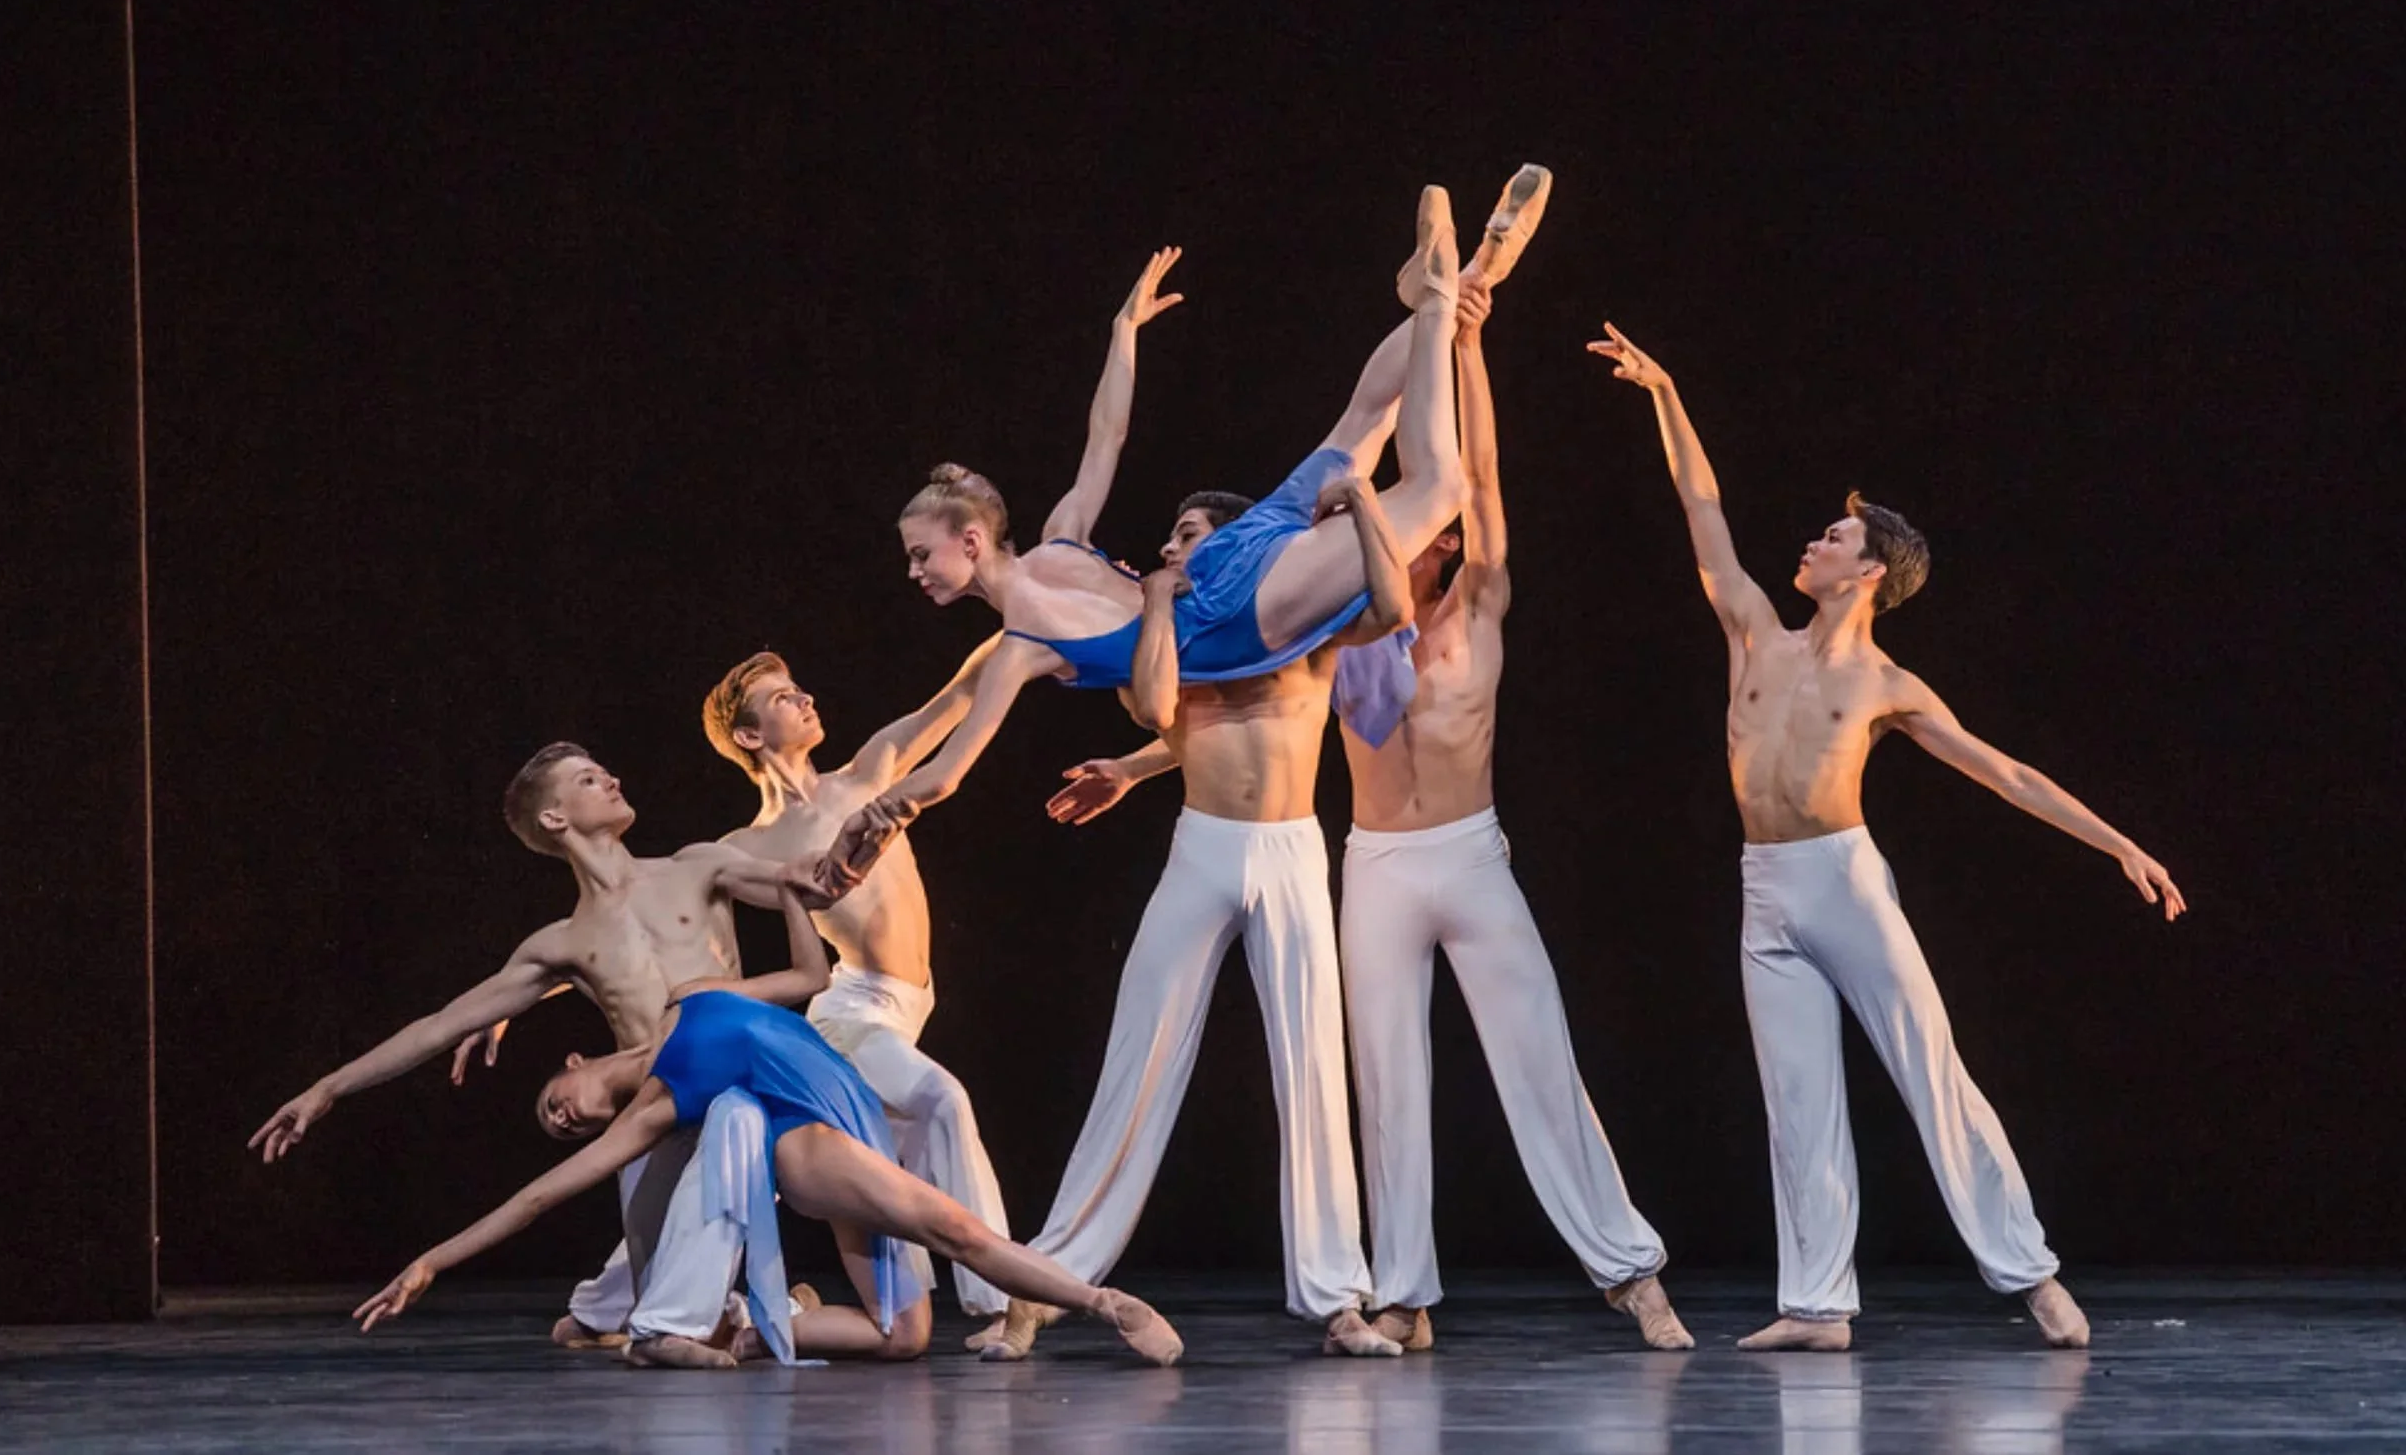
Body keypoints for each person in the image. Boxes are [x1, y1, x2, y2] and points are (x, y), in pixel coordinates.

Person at [1593, 319, 2187, 1352]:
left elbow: (2004, 773)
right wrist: (1664, 390)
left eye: (1834, 538)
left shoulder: (1885, 683)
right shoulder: (1751, 627)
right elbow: (1701, 505)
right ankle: (1817, 1304)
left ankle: (2031, 1273)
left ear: (1868, 572)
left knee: (1930, 1070)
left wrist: (2117, 842)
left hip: (1844, 884)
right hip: (1765, 884)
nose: (1814, 543)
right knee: (1797, 1098)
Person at [867, 178, 1529, 824]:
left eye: (922, 553)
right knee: (1364, 421)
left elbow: (947, 774)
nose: (914, 571)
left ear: (972, 540)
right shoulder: (1061, 536)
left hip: (1235, 608)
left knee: (1436, 489)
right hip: (1235, 550)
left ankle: (1440, 301)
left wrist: (867, 818)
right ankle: (1469, 280)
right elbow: (1106, 436)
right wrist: (1122, 331)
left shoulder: (1019, 647)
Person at [249, 743, 888, 1363]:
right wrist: (327, 1089)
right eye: (587, 779)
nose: (610, 780)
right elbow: (438, 1025)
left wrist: (858, 837)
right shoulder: (560, 944)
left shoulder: (697, 866)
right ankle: (754, 1312)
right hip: (654, 1113)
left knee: (674, 1311)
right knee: (656, 1309)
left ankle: (760, 1310)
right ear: (555, 819)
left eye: (604, 771)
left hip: (737, 1091)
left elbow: (807, 882)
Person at [1333, 282, 1691, 1353]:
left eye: (1423, 529)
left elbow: (1481, 477)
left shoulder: (1477, 604)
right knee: (1388, 1080)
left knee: (1537, 1055)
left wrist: (1471, 344)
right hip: (1378, 863)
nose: (1411, 537)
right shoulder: (1340, 626)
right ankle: (1402, 1292)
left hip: (1469, 855)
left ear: (1441, 546)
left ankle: (1630, 1271)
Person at [990, 463, 1414, 1360]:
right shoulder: (1171, 623)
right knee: (1135, 1054)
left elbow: (1389, 609)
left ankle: (1338, 1298)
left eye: (1185, 535)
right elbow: (1159, 710)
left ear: (1231, 542)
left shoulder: (1292, 619)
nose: (1170, 546)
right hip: (1204, 848)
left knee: (1312, 1066)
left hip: (1291, 848)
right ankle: (1048, 1285)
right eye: (1171, 537)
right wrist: (1153, 605)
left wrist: (1371, 507)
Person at [355, 980, 1185, 1370]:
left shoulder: (687, 995)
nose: (563, 1116)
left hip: (856, 1112)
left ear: (575, 1059)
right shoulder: (653, 1110)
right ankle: (1104, 1304)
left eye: (552, 1101)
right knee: (955, 1229)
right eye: (559, 1126)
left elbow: (805, 972)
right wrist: (433, 1260)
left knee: (904, 1339)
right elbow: (537, 1198)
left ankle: (757, 1325)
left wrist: (797, 886)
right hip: (812, 1142)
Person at [698, 639, 1015, 1335]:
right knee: (941, 1101)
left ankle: (770, 1310)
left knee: (878, 1176)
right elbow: (653, 905)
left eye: (798, 687)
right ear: (750, 735)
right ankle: (1005, 1300)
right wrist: (551, 985)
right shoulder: (744, 847)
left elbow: (958, 694)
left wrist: (1021, 609)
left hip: (907, 1009)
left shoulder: (867, 771)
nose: (805, 698)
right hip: (851, 1013)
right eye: (783, 698)